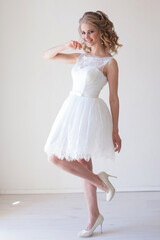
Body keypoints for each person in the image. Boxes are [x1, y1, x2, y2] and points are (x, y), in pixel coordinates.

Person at [43, 10, 122, 238]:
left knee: (83, 164)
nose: (86, 36)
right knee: (56, 157)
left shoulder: (110, 63)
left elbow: (114, 98)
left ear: (101, 31)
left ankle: (93, 214)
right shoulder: (80, 57)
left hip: (90, 112)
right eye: (83, 32)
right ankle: (101, 188)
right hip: (70, 109)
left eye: (91, 32)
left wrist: (115, 130)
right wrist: (66, 45)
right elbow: (47, 56)